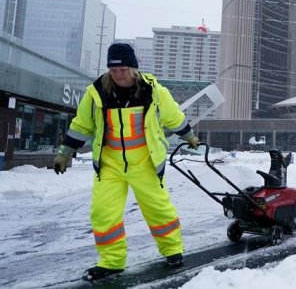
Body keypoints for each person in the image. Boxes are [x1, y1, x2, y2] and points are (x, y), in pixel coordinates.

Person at [53, 43, 200, 282]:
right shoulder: (97, 92)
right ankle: (111, 262)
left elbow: (173, 116)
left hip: (145, 162)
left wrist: (189, 136)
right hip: (110, 165)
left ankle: (173, 250)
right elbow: (82, 125)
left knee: (158, 209)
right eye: (113, 69)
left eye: (122, 69)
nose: (118, 74)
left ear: (132, 68)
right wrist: (65, 152)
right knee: (103, 213)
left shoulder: (152, 91)